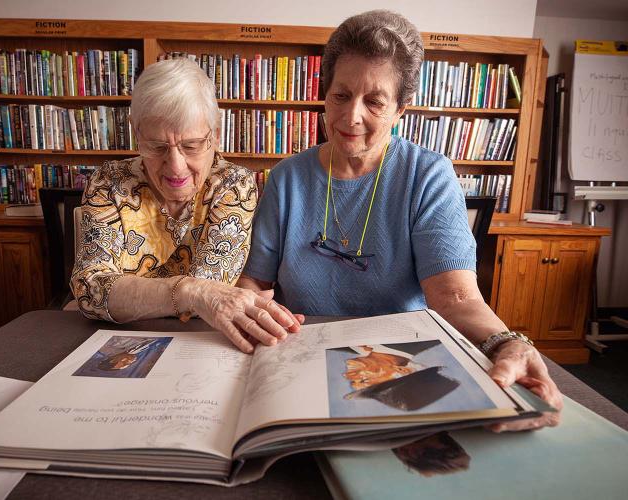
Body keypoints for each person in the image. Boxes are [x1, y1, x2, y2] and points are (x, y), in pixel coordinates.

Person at [238, 9, 562, 431]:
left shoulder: (428, 175)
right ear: (324, 95)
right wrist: (252, 316)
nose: (351, 116)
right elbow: (255, 284)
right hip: (300, 359)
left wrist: (506, 342)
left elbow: (456, 298)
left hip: (399, 365)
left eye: (374, 101)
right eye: (341, 95)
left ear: (400, 110)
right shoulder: (286, 178)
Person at [70, 58, 300, 353]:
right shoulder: (108, 183)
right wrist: (194, 291)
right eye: (157, 146)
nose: (176, 167)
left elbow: (211, 295)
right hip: (118, 344)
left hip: (198, 344)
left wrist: (122, 297)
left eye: (191, 146)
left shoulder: (234, 185)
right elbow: (91, 291)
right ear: (136, 133)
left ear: (215, 135)